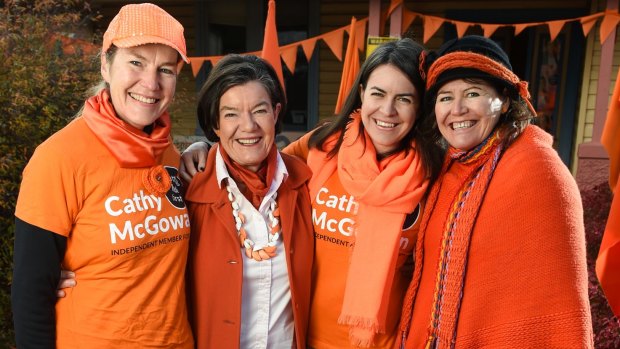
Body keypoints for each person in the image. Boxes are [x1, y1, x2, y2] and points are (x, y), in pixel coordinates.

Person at [180, 38, 442, 348]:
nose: (388, 110)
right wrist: (206, 149)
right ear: (361, 95)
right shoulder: (324, 147)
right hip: (312, 339)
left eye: (404, 99)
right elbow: (254, 155)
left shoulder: (432, 175)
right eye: (378, 93)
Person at [12, 3, 194, 348]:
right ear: (105, 65)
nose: (151, 83)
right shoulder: (59, 157)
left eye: (166, 70)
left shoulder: (169, 155)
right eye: (136, 62)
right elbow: (30, 291)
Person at [396, 35, 593, 348]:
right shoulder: (447, 170)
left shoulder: (537, 169)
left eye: (473, 93)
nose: (457, 109)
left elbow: (552, 301)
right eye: (445, 97)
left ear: (503, 100)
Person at [185, 54, 314, 348]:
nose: (248, 126)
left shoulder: (306, 183)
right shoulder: (189, 190)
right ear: (215, 123)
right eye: (231, 114)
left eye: (259, 110)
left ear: (276, 113)